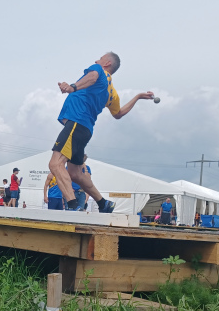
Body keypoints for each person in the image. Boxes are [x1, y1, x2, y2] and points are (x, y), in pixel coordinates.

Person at [51, 52, 155, 212]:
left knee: (55, 164)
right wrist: (138, 97)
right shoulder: (111, 92)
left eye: (100, 58)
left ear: (106, 63)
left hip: (76, 123)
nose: (96, 60)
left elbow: (92, 77)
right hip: (85, 129)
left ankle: (72, 205)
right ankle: (103, 203)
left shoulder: (98, 70)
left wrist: (73, 87)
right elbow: (118, 113)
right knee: (75, 173)